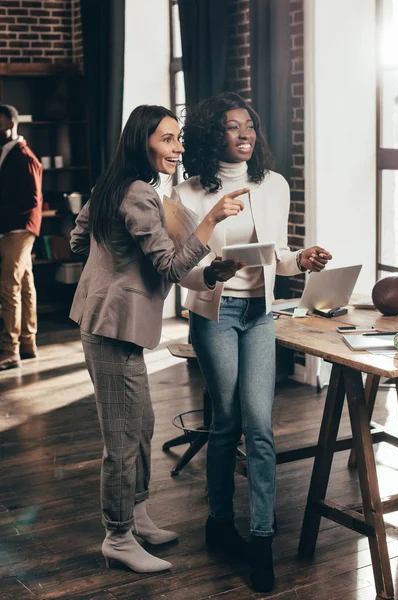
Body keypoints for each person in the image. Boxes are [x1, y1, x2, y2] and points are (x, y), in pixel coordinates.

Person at [69, 104, 248, 574]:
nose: (178, 148)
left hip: (107, 321)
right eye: (168, 140)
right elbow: (169, 266)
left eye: (178, 139)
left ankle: (138, 515)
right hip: (113, 327)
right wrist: (209, 221)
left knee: (141, 424)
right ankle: (118, 536)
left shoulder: (115, 186)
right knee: (123, 438)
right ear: (142, 142)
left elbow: (77, 238)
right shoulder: (139, 195)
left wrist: (111, 262)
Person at [172, 92, 332, 593]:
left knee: (260, 426)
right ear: (210, 135)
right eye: (231, 127)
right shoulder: (187, 194)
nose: (244, 135)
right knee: (227, 423)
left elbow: (277, 255)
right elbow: (183, 272)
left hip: (260, 315)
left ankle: (260, 539)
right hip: (214, 315)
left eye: (250, 126)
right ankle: (220, 522)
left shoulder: (274, 185)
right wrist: (213, 271)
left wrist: (299, 261)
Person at [0, 104, 43, 370]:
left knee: (8, 288)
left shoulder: (25, 157)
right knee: (25, 285)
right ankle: (28, 344)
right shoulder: (7, 153)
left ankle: (10, 350)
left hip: (20, 229)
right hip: (12, 228)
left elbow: (32, 199)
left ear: (11, 125)